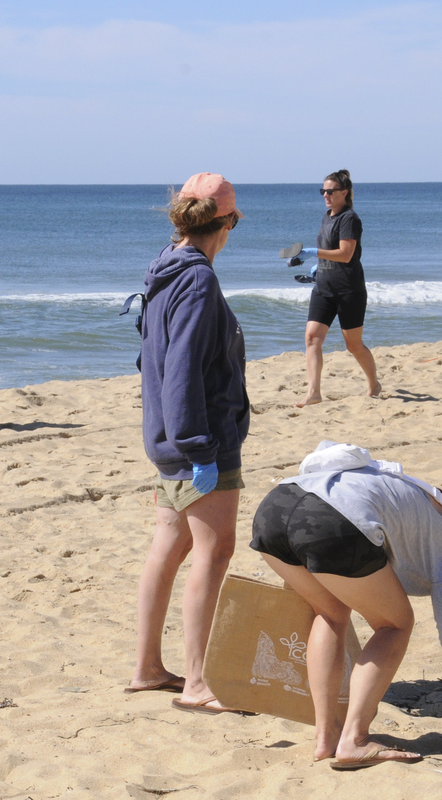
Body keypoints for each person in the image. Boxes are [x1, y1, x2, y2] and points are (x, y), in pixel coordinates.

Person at [248, 441, 442, 769]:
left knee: (331, 612)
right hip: (331, 520)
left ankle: (326, 737)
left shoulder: (417, 495)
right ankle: (354, 739)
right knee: (396, 624)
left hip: (275, 508)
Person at [127, 173, 251, 714]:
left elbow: (151, 357)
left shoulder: (163, 268)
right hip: (200, 440)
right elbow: (180, 369)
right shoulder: (196, 280)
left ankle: (148, 668)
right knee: (213, 550)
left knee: (170, 547)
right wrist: (200, 448)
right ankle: (198, 682)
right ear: (224, 223)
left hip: (166, 436)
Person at [295, 169, 379, 405]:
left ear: (344, 192)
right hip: (323, 288)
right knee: (312, 338)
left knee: (353, 345)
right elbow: (329, 252)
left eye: (330, 191)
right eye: (323, 191)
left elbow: (345, 254)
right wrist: (316, 267)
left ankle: (374, 383)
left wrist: (313, 253)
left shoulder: (349, 219)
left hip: (348, 290)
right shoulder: (327, 216)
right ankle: (314, 393)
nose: (326, 195)